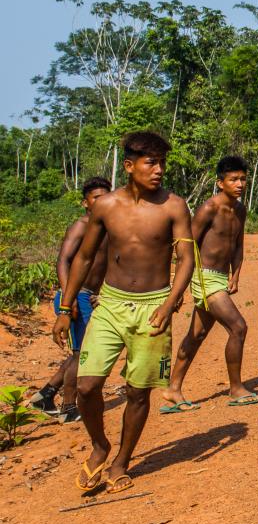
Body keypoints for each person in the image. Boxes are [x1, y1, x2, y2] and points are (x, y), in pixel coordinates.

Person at [53, 132, 195, 495]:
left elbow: (186, 260)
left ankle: (122, 461)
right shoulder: (107, 206)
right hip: (110, 304)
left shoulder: (174, 206)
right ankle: (100, 445)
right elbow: (84, 257)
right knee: (86, 385)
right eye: (151, 162)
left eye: (162, 162)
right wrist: (66, 308)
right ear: (129, 166)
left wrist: (170, 303)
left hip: (153, 307)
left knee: (137, 391)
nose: (159, 170)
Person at [159, 156, 258, 413]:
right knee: (238, 327)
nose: (239, 184)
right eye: (233, 179)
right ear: (220, 182)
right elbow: (187, 245)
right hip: (204, 277)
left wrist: (235, 274)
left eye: (243, 179)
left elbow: (238, 244)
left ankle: (173, 388)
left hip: (221, 278)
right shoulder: (209, 208)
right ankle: (236, 388)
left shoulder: (240, 210)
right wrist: (178, 286)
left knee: (197, 334)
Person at [28, 177, 112, 423]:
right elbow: (63, 261)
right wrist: (69, 299)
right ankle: (68, 407)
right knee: (81, 354)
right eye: (97, 197)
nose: (102, 201)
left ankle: (46, 395)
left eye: (106, 196)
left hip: (90, 295)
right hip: (76, 295)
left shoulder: (109, 228)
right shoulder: (82, 225)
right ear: (85, 202)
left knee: (79, 352)